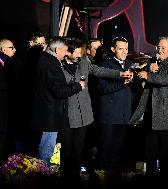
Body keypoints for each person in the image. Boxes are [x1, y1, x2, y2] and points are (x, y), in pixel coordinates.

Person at [60, 38, 132, 175]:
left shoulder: (82, 63)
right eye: (77, 53)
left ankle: (79, 177)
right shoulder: (59, 65)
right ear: (67, 52)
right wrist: (76, 86)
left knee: (79, 150)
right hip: (67, 114)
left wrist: (120, 74)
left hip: (84, 115)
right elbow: (58, 88)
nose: (79, 56)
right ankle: (66, 177)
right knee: (67, 150)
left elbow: (100, 71)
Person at [130, 36, 168, 176]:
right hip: (151, 115)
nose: (159, 50)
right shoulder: (152, 63)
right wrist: (149, 68)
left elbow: (167, 78)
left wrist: (149, 74)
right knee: (150, 154)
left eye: (163, 48)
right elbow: (139, 76)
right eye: (158, 47)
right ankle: (151, 179)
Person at [30, 36, 86, 166]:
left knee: (46, 149)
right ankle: (43, 176)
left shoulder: (45, 60)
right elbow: (59, 91)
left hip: (47, 114)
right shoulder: (50, 64)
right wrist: (78, 86)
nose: (67, 53)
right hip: (50, 116)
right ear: (57, 50)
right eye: (65, 50)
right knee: (46, 152)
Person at [96, 36, 134, 174]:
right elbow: (102, 88)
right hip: (109, 116)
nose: (124, 52)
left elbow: (132, 89)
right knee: (106, 152)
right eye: (121, 49)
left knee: (118, 152)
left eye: (126, 49)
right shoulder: (105, 65)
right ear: (113, 49)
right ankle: (102, 179)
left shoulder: (130, 65)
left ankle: (114, 180)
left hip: (124, 116)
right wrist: (121, 82)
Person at [0, 39, 16, 164]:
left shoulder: (9, 63)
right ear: (3, 49)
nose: (14, 50)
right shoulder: (7, 64)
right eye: (11, 47)